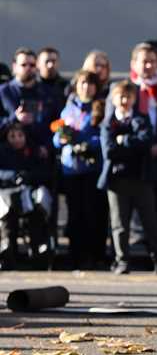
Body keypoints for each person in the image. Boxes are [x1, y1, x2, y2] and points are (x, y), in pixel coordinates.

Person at [100, 81, 157, 274]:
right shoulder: (108, 123)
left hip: (141, 178)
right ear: (114, 99)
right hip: (117, 180)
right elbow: (109, 151)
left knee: (151, 222)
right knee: (120, 224)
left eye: (128, 97)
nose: (124, 101)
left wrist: (123, 141)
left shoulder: (141, 119)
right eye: (121, 97)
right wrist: (131, 147)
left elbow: (145, 142)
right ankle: (122, 261)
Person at [54, 71, 106, 269]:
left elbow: (103, 136)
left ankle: (94, 255)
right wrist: (62, 138)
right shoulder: (68, 109)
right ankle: (75, 254)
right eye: (83, 83)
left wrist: (86, 143)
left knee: (93, 212)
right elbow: (57, 136)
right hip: (71, 169)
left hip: (92, 168)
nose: (86, 87)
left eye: (91, 83)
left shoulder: (99, 107)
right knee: (75, 214)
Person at [0, 122, 54, 268]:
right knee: (6, 212)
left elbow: (45, 173)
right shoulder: (3, 152)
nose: (17, 139)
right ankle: (7, 252)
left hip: (30, 191)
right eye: (12, 136)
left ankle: (37, 252)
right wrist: (12, 176)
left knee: (37, 209)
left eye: (20, 135)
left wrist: (28, 176)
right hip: (7, 192)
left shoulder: (35, 151)